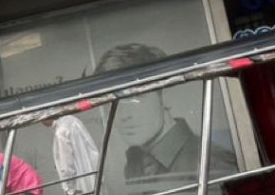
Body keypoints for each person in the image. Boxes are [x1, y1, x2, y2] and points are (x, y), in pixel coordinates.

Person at [94, 43, 237, 180]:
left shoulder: (211, 165)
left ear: (165, 95)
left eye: (136, 97)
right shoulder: (136, 162)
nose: (123, 115)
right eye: (111, 105)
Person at [43, 115, 100, 195]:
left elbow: (67, 167)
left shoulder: (60, 132)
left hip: (79, 188)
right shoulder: (72, 120)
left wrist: (69, 193)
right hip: (93, 179)